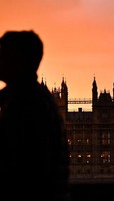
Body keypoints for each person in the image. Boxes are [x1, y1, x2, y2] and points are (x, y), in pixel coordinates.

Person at [0, 30, 70, 200]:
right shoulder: (27, 96)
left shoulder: (29, 104)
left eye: (3, 54)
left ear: (19, 61)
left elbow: (26, 169)